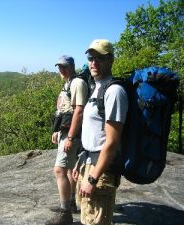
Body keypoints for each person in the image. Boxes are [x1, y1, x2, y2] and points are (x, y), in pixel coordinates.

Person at [72, 39, 128, 225]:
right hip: (88, 162)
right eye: (91, 58)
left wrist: (93, 178)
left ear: (110, 60)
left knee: (96, 221)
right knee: (87, 217)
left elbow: (111, 142)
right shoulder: (96, 88)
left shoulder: (114, 92)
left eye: (100, 58)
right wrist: (80, 163)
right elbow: (92, 132)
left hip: (101, 170)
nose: (94, 62)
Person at [46, 55, 88, 225]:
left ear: (72, 66)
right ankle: (70, 204)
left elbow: (79, 111)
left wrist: (70, 137)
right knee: (69, 170)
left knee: (60, 170)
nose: (61, 69)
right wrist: (57, 130)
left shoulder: (77, 83)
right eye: (59, 67)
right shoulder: (68, 83)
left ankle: (66, 214)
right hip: (66, 131)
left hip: (73, 134)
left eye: (64, 66)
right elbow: (64, 109)